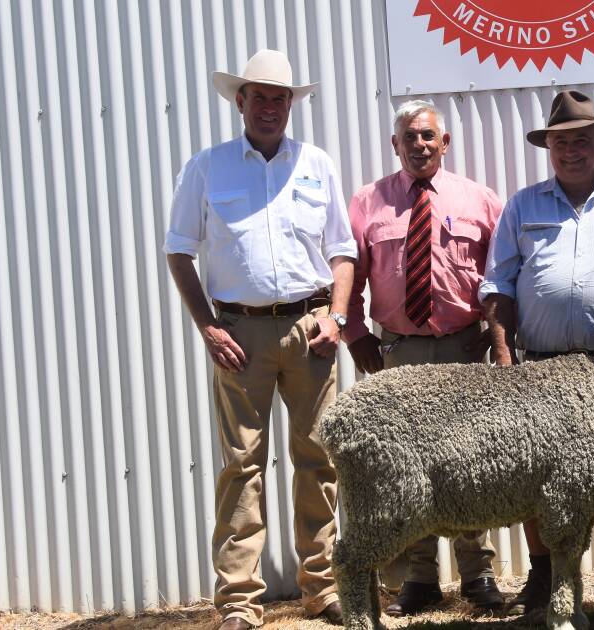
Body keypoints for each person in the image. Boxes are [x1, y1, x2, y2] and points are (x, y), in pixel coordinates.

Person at [163, 49, 355, 629]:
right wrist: (208, 327)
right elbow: (178, 250)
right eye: (259, 96)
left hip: (309, 329)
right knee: (241, 466)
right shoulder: (207, 167)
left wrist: (338, 317)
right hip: (238, 332)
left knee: (318, 458)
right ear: (239, 101)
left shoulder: (315, 163)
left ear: (291, 104)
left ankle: (322, 590)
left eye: (280, 98)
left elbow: (342, 251)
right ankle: (240, 602)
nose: (270, 107)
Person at [479, 90, 594, 616]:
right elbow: (499, 286)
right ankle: (545, 579)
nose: (572, 150)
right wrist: (505, 358)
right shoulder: (523, 204)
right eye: (561, 141)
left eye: (582, 139)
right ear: (548, 147)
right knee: (539, 475)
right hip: (541, 367)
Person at [342, 99, 505, 615]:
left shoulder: (480, 200)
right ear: (396, 144)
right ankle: (419, 578)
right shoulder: (368, 202)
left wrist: (495, 336)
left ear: (445, 142)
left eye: (428, 136)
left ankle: (478, 575)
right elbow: (350, 277)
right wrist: (355, 336)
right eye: (409, 137)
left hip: (462, 350)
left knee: (468, 463)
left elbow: (501, 276)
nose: (419, 145)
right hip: (399, 354)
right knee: (406, 467)